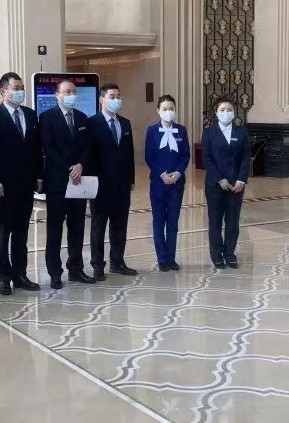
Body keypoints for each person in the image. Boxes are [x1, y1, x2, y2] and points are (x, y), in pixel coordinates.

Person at [0, 72, 43, 295]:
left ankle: (20, 275)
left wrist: (39, 176)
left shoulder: (30, 115)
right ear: (3, 91)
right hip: (3, 185)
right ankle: (3, 277)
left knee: (21, 232)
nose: (20, 91)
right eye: (15, 88)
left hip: (26, 184)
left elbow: (36, 148)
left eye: (21, 87)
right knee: (2, 232)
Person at [40, 80, 97, 290]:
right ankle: (55, 273)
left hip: (78, 182)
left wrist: (80, 165)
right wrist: (69, 168)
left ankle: (76, 268)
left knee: (77, 227)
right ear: (57, 95)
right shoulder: (47, 117)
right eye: (66, 92)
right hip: (57, 182)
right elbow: (49, 148)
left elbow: (88, 147)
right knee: (55, 229)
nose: (71, 95)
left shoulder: (82, 118)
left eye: (73, 91)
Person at [86, 83, 136, 280]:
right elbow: (88, 154)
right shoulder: (92, 123)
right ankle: (97, 265)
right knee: (99, 226)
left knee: (120, 225)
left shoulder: (125, 123)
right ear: (102, 100)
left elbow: (129, 153)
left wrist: (131, 178)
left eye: (118, 96)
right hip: (100, 184)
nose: (116, 100)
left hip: (122, 184)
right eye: (112, 97)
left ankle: (117, 261)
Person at [201, 98, 251, 269]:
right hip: (215, 185)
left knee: (232, 222)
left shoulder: (241, 132)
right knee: (215, 221)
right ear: (216, 113)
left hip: (236, 185)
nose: (226, 112)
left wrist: (241, 179)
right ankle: (216, 255)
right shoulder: (209, 133)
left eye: (229, 109)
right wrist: (219, 178)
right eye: (222, 109)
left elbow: (246, 157)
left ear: (234, 113)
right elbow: (206, 158)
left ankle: (230, 254)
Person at [145, 95, 191, 272]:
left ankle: (171, 257)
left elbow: (185, 155)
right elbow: (149, 156)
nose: (168, 112)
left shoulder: (182, 130)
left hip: (177, 184)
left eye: (171, 108)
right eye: (164, 109)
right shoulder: (152, 130)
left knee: (173, 222)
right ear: (158, 110)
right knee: (159, 221)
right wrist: (162, 175)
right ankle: (162, 258)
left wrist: (177, 173)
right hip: (158, 182)